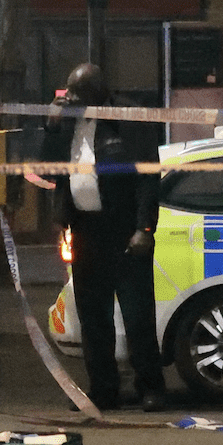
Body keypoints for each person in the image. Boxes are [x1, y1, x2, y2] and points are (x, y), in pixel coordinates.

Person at [43, 64, 169, 411]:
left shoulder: (126, 120)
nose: (70, 99)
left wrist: (145, 228)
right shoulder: (68, 125)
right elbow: (48, 170)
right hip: (86, 231)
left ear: (99, 93)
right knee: (93, 318)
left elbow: (147, 179)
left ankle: (151, 387)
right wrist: (52, 127)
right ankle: (103, 388)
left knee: (137, 316)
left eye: (77, 94)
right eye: (68, 93)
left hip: (125, 232)